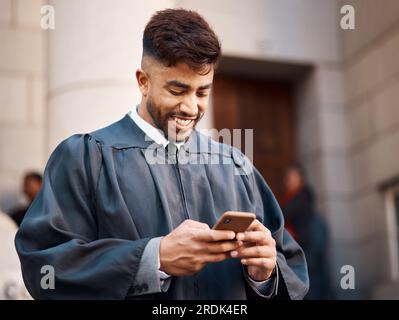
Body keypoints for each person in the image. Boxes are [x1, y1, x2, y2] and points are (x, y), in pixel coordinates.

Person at [15, 8, 308, 300]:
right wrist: (153, 258)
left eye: (202, 92)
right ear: (143, 81)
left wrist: (264, 276)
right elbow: (46, 266)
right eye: (177, 91)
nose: (191, 108)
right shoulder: (84, 157)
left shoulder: (235, 166)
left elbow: (289, 267)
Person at [281, 165, 331, 299]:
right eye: (288, 178)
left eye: (292, 177)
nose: (289, 181)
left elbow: (286, 213)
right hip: (302, 248)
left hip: (308, 248)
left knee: (311, 285)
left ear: (301, 179)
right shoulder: (290, 198)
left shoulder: (303, 196)